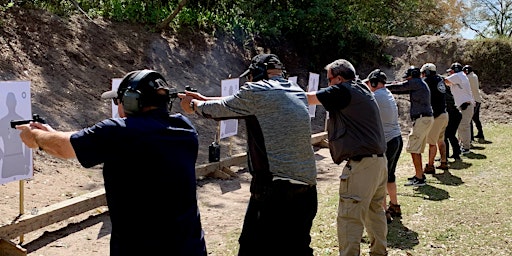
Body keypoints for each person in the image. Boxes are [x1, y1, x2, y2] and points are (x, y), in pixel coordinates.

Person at [16, 70, 207, 256]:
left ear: (132, 101)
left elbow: (64, 149)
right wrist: (51, 133)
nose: (118, 106)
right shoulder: (184, 127)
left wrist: (34, 136)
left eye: (119, 101)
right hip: (190, 247)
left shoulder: (118, 132)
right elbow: (81, 139)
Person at [180, 53, 318, 256]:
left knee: (251, 248)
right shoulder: (295, 90)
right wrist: (204, 99)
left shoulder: (257, 90)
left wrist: (193, 106)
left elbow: (222, 109)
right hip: (307, 189)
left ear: (257, 73)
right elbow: (241, 102)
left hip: (276, 190)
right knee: (296, 249)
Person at [306, 59, 387, 256]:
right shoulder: (361, 88)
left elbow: (308, 99)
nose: (328, 84)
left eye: (330, 80)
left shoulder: (343, 90)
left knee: (349, 217)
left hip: (362, 165)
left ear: (339, 78)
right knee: (374, 212)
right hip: (378, 162)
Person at [363, 69, 403, 224]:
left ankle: (384, 212)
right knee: (389, 176)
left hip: (387, 141)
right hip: (396, 138)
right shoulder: (386, 93)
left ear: (373, 82)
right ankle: (395, 205)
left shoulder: (375, 96)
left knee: (380, 179)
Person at [386, 66, 434, 187]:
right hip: (425, 118)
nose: (407, 79)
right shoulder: (420, 83)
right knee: (416, 149)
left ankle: (419, 177)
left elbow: (399, 87)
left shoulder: (416, 82)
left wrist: (381, 87)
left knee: (413, 148)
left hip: (422, 118)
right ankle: (419, 175)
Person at [420, 63, 449, 174]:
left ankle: (430, 166)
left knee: (432, 143)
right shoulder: (439, 79)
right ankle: (443, 161)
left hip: (437, 116)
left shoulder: (428, 81)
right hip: (444, 114)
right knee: (440, 140)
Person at [444, 62, 474, 155]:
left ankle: (466, 147)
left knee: (463, 127)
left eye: (451, 71)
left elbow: (444, 80)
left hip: (465, 105)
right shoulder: (461, 76)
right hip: (465, 105)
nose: (450, 73)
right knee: (463, 127)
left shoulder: (457, 76)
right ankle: (463, 145)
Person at [463, 65, 485, 142]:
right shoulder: (474, 76)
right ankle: (480, 133)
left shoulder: (468, 77)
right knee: (476, 118)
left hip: (473, 100)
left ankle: (471, 137)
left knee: (469, 119)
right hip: (477, 99)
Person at [444, 85, 462, 161]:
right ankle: (455, 153)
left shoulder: (444, 94)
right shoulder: (448, 92)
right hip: (455, 115)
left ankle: (445, 155)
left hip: (452, 115)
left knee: (446, 135)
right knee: (450, 135)